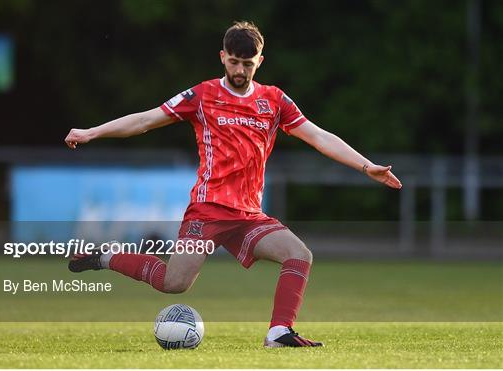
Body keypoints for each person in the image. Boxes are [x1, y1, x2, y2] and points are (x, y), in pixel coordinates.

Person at [65, 21, 402, 348]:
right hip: (208, 210)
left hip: (248, 215)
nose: (240, 70)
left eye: (248, 64)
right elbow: (144, 121)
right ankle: (107, 257)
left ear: (260, 61)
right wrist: (91, 132)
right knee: (174, 283)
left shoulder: (274, 101)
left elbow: (317, 136)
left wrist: (365, 165)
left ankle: (279, 332)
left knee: (299, 255)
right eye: (234, 62)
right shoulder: (202, 95)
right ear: (223, 57)